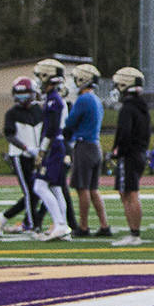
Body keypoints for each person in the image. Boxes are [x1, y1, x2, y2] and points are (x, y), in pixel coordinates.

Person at [63, 63, 111, 237]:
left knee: (82, 188)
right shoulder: (96, 99)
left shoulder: (83, 99)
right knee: (93, 189)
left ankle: (83, 226)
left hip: (84, 146)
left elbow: (70, 122)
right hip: (95, 146)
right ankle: (104, 225)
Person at [29, 58, 74, 239]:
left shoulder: (53, 100)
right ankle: (62, 224)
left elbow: (52, 129)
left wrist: (42, 150)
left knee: (40, 186)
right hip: (56, 145)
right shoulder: (52, 99)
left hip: (53, 146)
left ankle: (60, 224)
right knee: (55, 187)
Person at [0, 76, 45, 237]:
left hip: (36, 155)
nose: (21, 97)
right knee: (30, 191)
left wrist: (40, 149)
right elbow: (9, 135)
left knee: (37, 192)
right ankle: (30, 225)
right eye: (19, 93)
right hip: (20, 155)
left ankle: (5, 216)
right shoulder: (12, 113)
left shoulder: (39, 110)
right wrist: (25, 147)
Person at [108, 66, 151, 246]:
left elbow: (124, 132)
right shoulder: (142, 107)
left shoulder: (128, 108)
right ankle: (134, 233)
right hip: (139, 153)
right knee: (130, 193)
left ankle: (134, 234)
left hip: (129, 155)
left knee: (129, 194)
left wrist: (118, 150)